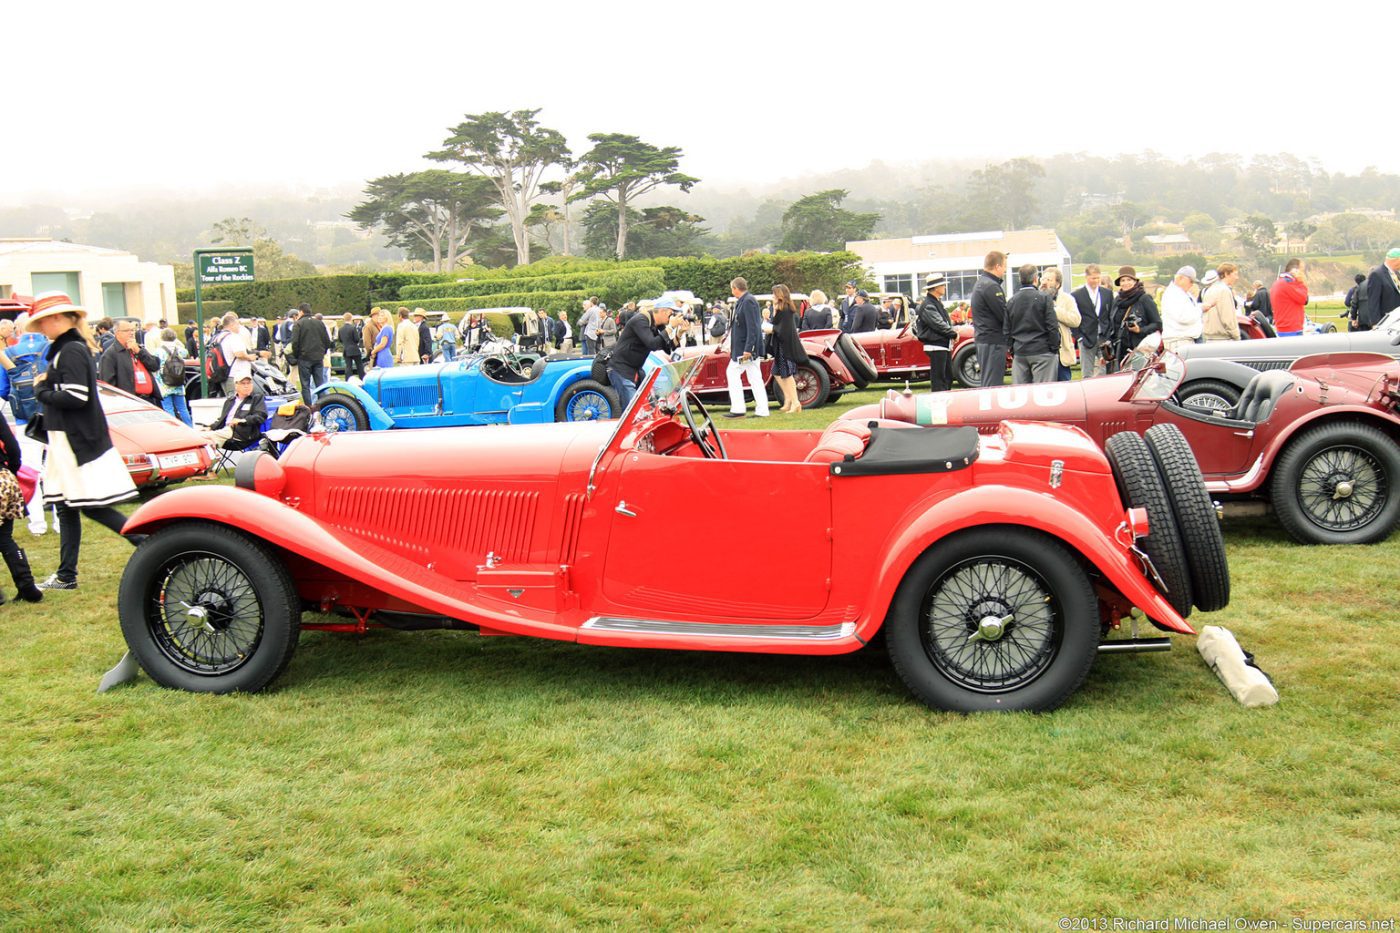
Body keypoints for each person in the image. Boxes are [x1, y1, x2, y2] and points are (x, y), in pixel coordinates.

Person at [28, 292, 144, 591]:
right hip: (67, 438)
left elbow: (76, 397)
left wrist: (41, 390)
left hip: (76, 441)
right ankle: (67, 574)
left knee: (91, 506)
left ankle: (149, 546)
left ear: (57, 318)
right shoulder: (64, 349)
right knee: (67, 506)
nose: (40, 328)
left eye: (42, 321)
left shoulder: (70, 351)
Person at [0, 413, 41, 602]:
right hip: (3, 478)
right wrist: (12, 469)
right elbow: (12, 447)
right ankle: (27, 587)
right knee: (4, 537)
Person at [607, 297, 676, 409]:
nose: (672, 316)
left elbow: (667, 348)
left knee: (647, 408)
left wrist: (679, 333)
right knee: (632, 410)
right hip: (621, 369)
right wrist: (670, 327)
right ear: (663, 311)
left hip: (635, 370)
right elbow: (652, 344)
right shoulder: (641, 320)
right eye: (670, 313)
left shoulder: (655, 325)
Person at [724, 277, 769, 419]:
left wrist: (749, 349)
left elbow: (753, 327)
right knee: (754, 377)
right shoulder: (744, 301)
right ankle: (761, 409)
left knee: (734, 373)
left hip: (746, 349)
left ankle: (739, 408)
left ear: (735, 288)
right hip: (744, 348)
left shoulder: (748, 301)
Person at [1006, 264, 1058, 384]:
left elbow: (1006, 329)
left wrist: (1013, 349)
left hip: (1020, 351)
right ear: (1036, 279)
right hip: (1042, 351)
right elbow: (1052, 326)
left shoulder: (1012, 301)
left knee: (1022, 396)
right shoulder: (1044, 298)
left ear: (1020, 279)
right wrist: (1053, 348)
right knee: (1044, 393)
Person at [98, 318, 163, 406]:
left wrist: (139, 351)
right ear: (117, 333)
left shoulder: (137, 349)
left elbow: (155, 366)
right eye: (127, 330)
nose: (131, 333)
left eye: (132, 330)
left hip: (150, 400)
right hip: (130, 403)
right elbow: (108, 386)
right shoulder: (110, 355)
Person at [971, 250, 1010, 387]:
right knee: (993, 384)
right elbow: (1004, 315)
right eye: (1004, 266)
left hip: (985, 340)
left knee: (989, 380)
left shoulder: (982, 283)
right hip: (992, 342)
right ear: (997, 266)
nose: (1005, 270)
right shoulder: (991, 286)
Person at [768, 284, 810, 414]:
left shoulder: (785, 310)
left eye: (774, 294)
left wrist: (771, 329)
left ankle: (795, 402)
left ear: (779, 296)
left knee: (787, 375)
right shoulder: (782, 309)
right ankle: (789, 399)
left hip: (785, 347)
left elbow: (782, 329)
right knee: (777, 372)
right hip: (781, 346)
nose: (772, 296)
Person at [913, 273, 956, 392]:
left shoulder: (934, 302)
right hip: (936, 345)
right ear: (936, 288)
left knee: (947, 377)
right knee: (939, 380)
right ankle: (939, 405)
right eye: (943, 285)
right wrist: (953, 334)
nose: (945, 287)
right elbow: (938, 324)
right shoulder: (929, 304)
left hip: (941, 345)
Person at [201, 374, 267, 452]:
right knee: (200, 435)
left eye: (249, 383)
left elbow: (261, 416)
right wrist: (211, 427)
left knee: (205, 438)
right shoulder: (230, 401)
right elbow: (221, 420)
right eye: (243, 383)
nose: (246, 386)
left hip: (242, 434)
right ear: (236, 385)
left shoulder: (256, 399)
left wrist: (243, 421)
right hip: (225, 431)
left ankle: (212, 459)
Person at [1071, 264, 1113, 378]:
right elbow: (1074, 318)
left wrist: (1109, 333)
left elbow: (1109, 315)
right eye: (1093, 278)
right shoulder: (1077, 295)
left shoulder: (1107, 293)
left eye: (1098, 278)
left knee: (1104, 370)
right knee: (1087, 372)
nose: (1096, 281)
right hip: (1086, 337)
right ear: (1087, 277)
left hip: (1103, 337)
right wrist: (1079, 336)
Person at [1111, 266, 1161, 361]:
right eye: (1123, 280)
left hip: (1140, 349)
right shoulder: (1117, 301)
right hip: (1120, 350)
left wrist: (1140, 330)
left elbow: (1157, 324)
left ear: (1135, 281)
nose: (1126, 283)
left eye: (1129, 280)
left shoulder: (1144, 299)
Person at [1041, 268, 1080, 381]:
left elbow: (1076, 320)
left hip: (1060, 352)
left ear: (1057, 284)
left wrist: (1054, 309)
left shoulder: (1067, 299)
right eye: (1043, 279)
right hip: (1041, 352)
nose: (1044, 282)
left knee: (1064, 386)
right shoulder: (1036, 298)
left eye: (1049, 279)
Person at [1161, 265, 1203, 352]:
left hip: (1185, 340)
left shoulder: (1181, 293)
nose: (1192, 285)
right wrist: (1201, 309)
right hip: (1179, 341)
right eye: (1191, 281)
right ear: (1181, 278)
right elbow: (1184, 317)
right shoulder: (1173, 294)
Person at [155, 327, 192, 426]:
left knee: (168, 408)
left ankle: (173, 427)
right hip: (178, 382)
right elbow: (186, 353)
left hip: (164, 384)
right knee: (183, 408)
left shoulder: (159, 351)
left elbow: (155, 366)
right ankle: (190, 427)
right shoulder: (180, 350)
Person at [216, 312, 255, 397]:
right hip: (236, 376)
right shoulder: (233, 336)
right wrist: (249, 357)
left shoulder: (219, 337)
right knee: (237, 402)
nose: (239, 327)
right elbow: (239, 353)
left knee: (231, 400)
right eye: (238, 325)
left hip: (225, 374)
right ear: (232, 325)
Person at [1202, 263, 1243, 341]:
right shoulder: (1224, 290)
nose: (1237, 278)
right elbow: (1227, 318)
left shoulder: (1210, 290)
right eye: (1235, 274)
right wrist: (1236, 336)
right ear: (1226, 274)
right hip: (1223, 338)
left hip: (1210, 337)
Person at [1362, 248, 1400, 330]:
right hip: (1386, 322)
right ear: (1396, 261)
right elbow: (1373, 301)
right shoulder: (1377, 274)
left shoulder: (1397, 274)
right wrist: (1375, 323)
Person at [1269, 259, 1309, 337]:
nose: (1303, 273)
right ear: (1295, 270)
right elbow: (1304, 299)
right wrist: (1301, 282)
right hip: (1291, 328)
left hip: (1283, 327)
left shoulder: (1278, 283)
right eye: (1302, 270)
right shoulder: (1288, 284)